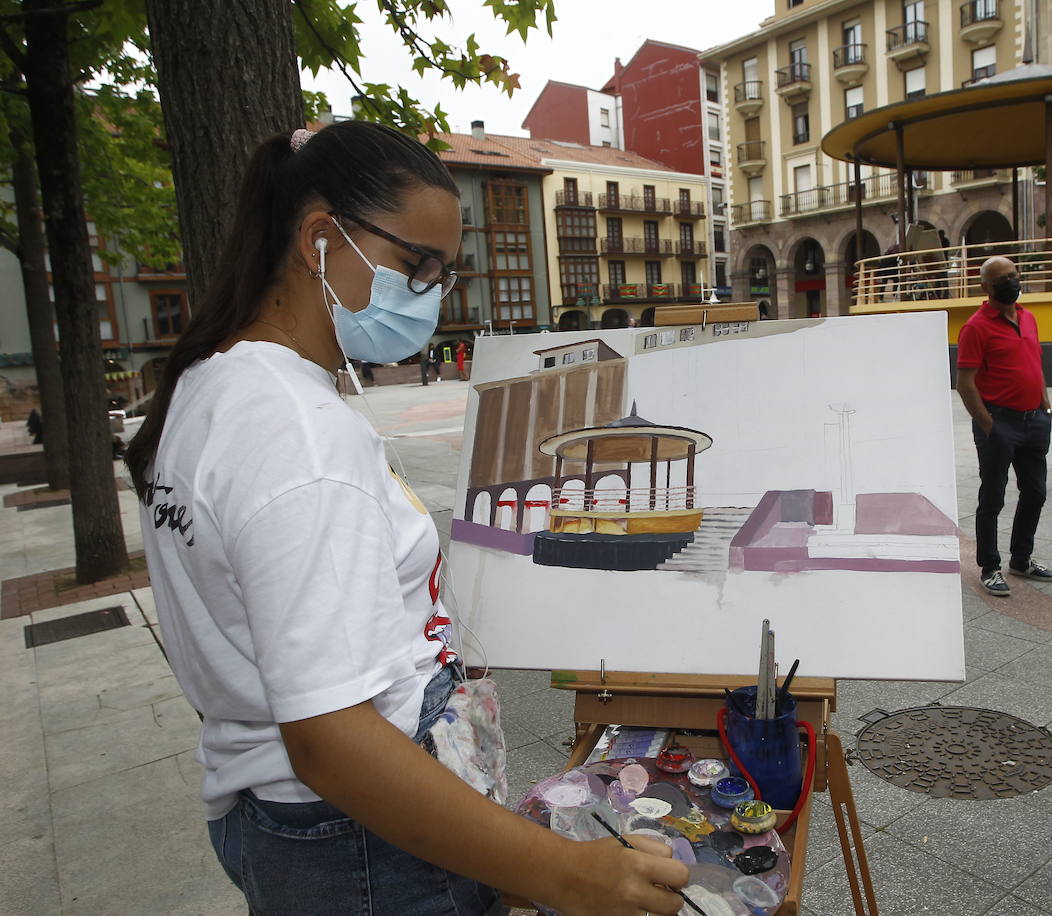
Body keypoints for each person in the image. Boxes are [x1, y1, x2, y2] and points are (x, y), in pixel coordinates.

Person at [122, 121, 686, 916]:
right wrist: (562, 873)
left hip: (284, 821)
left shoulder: (213, 385)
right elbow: (331, 741)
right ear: (321, 240)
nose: (431, 293)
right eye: (416, 265)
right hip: (362, 843)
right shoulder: (300, 436)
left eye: (445, 274)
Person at [955, 256, 1052, 597]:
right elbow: (966, 383)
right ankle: (989, 566)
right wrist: (988, 425)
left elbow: (1035, 361)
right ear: (985, 286)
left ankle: (1021, 559)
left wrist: (1044, 402)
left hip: (1034, 420)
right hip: (1000, 423)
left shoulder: (1028, 317)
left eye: (1014, 275)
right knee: (993, 496)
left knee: (1035, 492)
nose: (1012, 282)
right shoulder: (975, 327)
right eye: (1003, 278)